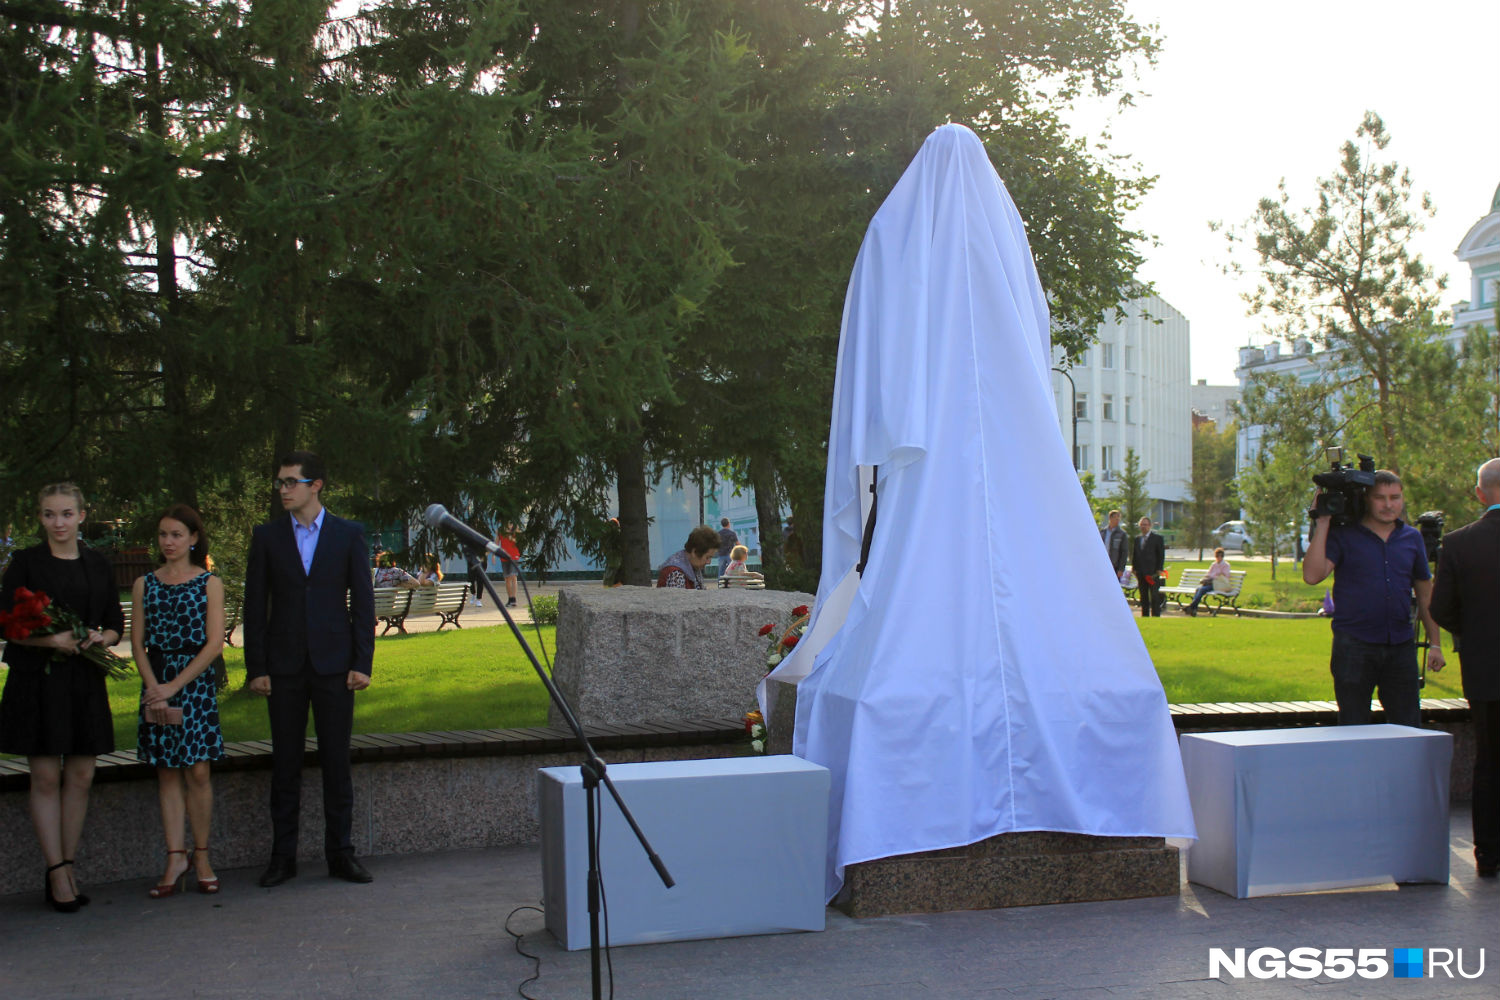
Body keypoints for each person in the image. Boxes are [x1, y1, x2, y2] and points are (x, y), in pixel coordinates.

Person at [243, 451, 376, 887]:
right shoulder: (266, 537)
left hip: (335, 667)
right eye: (280, 483)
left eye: (290, 482)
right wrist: (256, 666)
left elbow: (363, 602)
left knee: (337, 763)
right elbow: (255, 605)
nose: (283, 490)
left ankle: (341, 855)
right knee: (285, 765)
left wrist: (362, 662)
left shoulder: (348, 534)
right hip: (282, 669)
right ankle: (283, 857)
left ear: (315, 485)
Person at [0, 483, 124, 912]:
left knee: (81, 776)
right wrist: (51, 640)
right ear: (40, 517)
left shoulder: (97, 564)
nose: (58, 523)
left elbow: (114, 624)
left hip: (84, 681)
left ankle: (67, 863)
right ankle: (55, 871)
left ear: (82, 516)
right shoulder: (25, 563)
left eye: (66, 514)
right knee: (47, 778)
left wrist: (98, 637)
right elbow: (8, 627)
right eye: (50, 514)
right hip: (37, 682)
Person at [132, 504, 226, 898]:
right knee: (166, 772)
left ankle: (201, 855)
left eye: (175, 535)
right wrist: (154, 686)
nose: (168, 542)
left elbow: (214, 642)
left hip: (195, 684)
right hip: (156, 681)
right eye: (162, 535)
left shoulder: (209, 583)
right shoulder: (144, 584)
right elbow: (137, 642)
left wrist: (173, 687)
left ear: (192, 538)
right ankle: (175, 856)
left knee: (198, 772)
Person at [1302, 469, 1444, 728]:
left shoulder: (1411, 538)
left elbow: (1425, 595)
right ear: (1367, 499)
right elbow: (1312, 575)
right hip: (1354, 645)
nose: (1388, 505)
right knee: (1353, 725)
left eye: (1395, 497)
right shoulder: (1344, 535)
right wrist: (1322, 522)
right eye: (1380, 497)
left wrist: (1435, 644)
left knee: (1408, 725)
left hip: (1400, 645)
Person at [1429, 458, 1500, 876]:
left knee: (1489, 760)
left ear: (1479, 494)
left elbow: (1440, 608)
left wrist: (1473, 633)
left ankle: (1488, 853)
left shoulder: (1457, 544)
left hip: (1485, 669)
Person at [1132, 516, 1165, 617]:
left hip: (1153, 573)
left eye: (1145, 525)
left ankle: (1156, 615)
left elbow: (1161, 555)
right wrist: (1134, 568)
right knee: (1143, 596)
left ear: (1150, 526)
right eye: (1141, 525)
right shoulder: (1137, 539)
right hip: (1141, 572)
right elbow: (1135, 555)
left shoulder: (1157, 539)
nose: (1143, 527)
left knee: (1154, 596)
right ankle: (1145, 615)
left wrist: (1159, 568)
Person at [1184, 548, 1232, 617]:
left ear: (1222, 556)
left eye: (1220, 556)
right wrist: (1209, 578)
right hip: (1210, 582)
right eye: (1217, 556)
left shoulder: (1226, 565)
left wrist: (1214, 577)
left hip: (1218, 584)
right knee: (1198, 589)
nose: (1218, 558)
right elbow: (1209, 574)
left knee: (1201, 589)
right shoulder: (1213, 564)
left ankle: (1191, 607)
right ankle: (1193, 608)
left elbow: (1226, 576)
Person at [1099, 509, 1128, 580]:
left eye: (1119, 517)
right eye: (1116, 517)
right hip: (1102, 565)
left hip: (1115, 566)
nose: (1118, 519)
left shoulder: (1122, 534)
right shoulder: (1102, 532)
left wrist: (1121, 569)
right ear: (1110, 518)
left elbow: (1124, 552)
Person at [497, 525, 521, 607]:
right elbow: (496, 543)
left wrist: (511, 537)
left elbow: (520, 541)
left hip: (514, 556)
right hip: (504, 556)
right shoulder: (500, 529)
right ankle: (510, 599)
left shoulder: (516, 528)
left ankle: (514, 599)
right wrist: (494, 554)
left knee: (513, 577)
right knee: (507, 578)